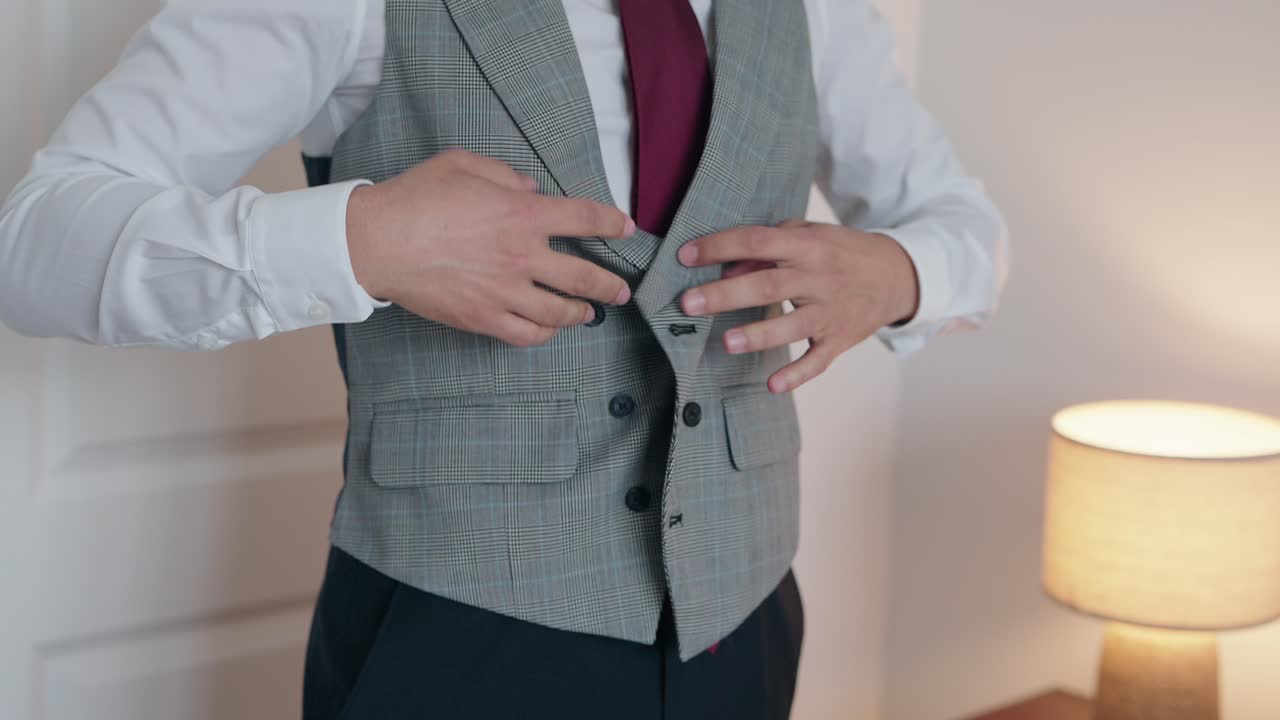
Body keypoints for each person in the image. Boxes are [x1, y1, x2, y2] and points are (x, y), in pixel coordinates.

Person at [0, 0, 1008, 717]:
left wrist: (900, 274)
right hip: (457, 636)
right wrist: (362, 242)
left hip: (738, 626)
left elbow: (962, 226)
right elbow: (39, 243)